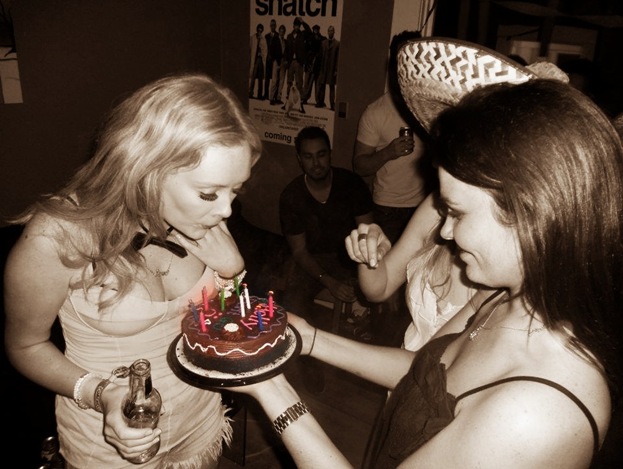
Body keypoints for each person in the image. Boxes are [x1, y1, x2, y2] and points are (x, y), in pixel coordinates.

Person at [229, 38, 623, 468]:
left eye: (457, 212)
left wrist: (271, 388)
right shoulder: (499, 297)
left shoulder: (536, 412)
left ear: (529, 212)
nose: (446, 232)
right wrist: (309, 338)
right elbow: (422, 372)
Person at [3, 73, 263, 468]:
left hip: (200, 419)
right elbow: (25, 347)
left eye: (235, 190)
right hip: (108, 441)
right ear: (147, 170)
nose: (226, 210)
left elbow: (217, 328)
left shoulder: (203, 220)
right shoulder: (55, 237)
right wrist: (101, 393)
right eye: (209, 193)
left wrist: (232, 272)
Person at [346, 192, 483, 351]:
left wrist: (321, 344)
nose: (444, 232)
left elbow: (428, 360)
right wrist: (368, 254)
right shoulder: (435, 207)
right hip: (405, 358)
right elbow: (379, 290)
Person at [279, 126, 374, 331]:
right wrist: (330, 282)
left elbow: (367, 234)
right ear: (299, 159)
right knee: (291, 306)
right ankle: (301, 345)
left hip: (351, 257)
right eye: (308, 156)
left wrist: (360, 273)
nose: (316, 163)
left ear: (330, 154)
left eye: (321, 155)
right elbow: (300, 251)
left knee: (378, 297)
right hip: (313, 260)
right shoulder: (291, 196)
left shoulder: (352, 184)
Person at [353, 30, 430, 246]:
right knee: (387, 263)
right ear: (393, 65)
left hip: (427, 204)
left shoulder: (430, 107)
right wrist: (388, 152)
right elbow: (359, 166)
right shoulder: (376, 112)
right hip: (389, 209)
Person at [316, 25, 339, 110]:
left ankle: (332, 105)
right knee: (322, 85)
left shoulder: (337, 44)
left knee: (332, 87)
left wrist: (336, 70)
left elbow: (337, 58)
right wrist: (319, 68)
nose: (330, 32)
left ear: (334, 32)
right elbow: (320, 56)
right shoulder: (323, 43)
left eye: (332, 30)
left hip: (332, 69)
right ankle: (320, 102)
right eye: (329, 31)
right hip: (323, 68)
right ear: (327, 32)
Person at [269, 24, 287, 105]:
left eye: (283, 32)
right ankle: (271, 98)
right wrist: (275, 60)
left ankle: (278, 98)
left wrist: (285, 60)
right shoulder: (275, 39)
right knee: (274, 80)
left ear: (284, 32)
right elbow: (271, 50)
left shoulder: (285, 41)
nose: (282, 33)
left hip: (283, 61)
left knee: (281, 81)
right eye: (281, 31)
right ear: (279, 31)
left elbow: (286, 51)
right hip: (276, 61)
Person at [249, 23, 267, 99]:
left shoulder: (263, 39)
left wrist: (262, 52)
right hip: (254, 59)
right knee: (253, 77)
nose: (259, 32)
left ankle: (259, 94)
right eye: (258, 30)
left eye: (261, 30)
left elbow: (265, 50)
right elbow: (250, 49)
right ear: (257, 30)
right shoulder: (253, 38)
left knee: (260, 77)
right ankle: (250, 92)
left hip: (260, 60)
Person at [263, 19, 279, 103]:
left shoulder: (278, 35)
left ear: (275, 26)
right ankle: (265, 94)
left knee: (275, 79)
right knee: (267, 78)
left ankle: (273, 96)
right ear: (270, 26)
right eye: (271, 25)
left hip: (274, 60)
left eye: (274, 25)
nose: (272, 26)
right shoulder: (266, 36)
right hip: (267, 60)